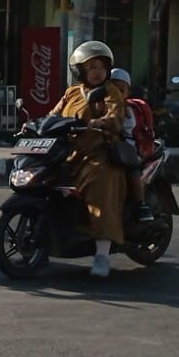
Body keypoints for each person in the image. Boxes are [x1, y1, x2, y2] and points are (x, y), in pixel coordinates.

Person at [53, 41, 129, 278]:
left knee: (100, 187)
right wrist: (33, 124)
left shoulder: (109, 92)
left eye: (101, 67)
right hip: (68, 155)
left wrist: (103, 121)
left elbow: (116, 114)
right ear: (80, 70)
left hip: (99, 155)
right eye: (91, 67)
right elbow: (53, 115)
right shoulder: (71, 92)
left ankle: (102, 256)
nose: (97, 71)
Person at [108, 68, 155, 222]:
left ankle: (140, 205)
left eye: (121, 90)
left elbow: (118, 127)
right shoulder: (101, 105)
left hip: (129, 148)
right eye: (112, 89)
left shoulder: (128, 110)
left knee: (131, 168)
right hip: (109, 146)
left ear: (127, 92)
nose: (116, 94)